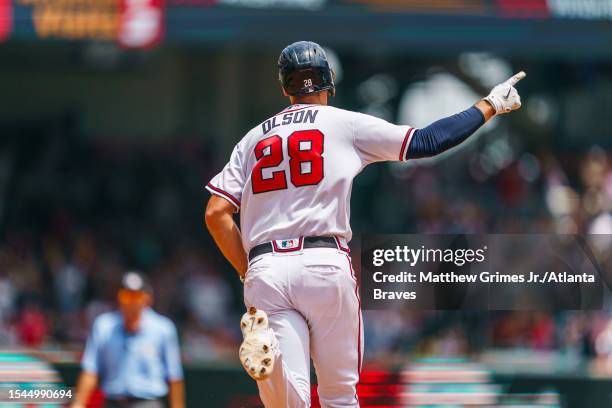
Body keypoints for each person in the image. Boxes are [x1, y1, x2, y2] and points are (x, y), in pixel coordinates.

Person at [204, 40, 525, 407]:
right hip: (324, 263)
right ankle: (272, 362)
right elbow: (427, 141)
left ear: (284, 87)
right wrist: (490, 105)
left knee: (285, 402)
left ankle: (273, 363)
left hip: (266, 267)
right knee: (339, 395)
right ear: (329, 84)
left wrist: (250, 272)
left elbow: (215, 213)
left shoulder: (253, 139)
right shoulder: (343, 123)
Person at [71, 271, 185, 408]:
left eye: (136, 296)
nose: (131, 302)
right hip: (113, 402)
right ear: (119, 297)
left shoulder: (163, 329)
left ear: (147, 299)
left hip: (148, 403)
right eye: (127, 296)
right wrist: (79, 403)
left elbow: (174, 377)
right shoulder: (104, 326)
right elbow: (91, 369)